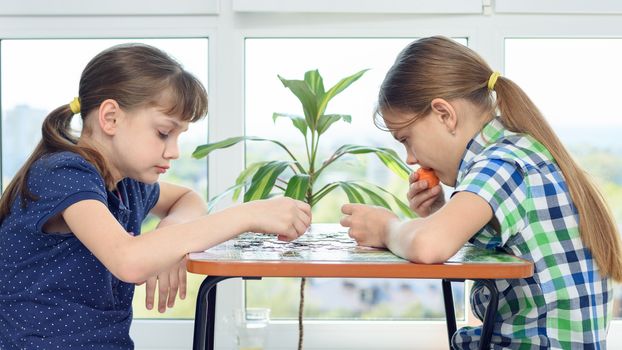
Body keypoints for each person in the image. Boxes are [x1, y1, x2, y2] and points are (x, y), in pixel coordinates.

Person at [0, 43, 311, 349]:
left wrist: (170, 236)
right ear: (110, 118)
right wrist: (247, 215)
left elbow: (188, 198)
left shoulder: (127, 182)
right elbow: (129, 260)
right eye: (164, 133)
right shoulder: (64, 173)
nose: (173, 151)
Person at [340, 36, 621, 349]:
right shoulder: (518, 150)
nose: (410, 158)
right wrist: (439, 213)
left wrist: (386, 227)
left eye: (406, 138)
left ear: (444, 114)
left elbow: (428, 246)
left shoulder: (501, 164)